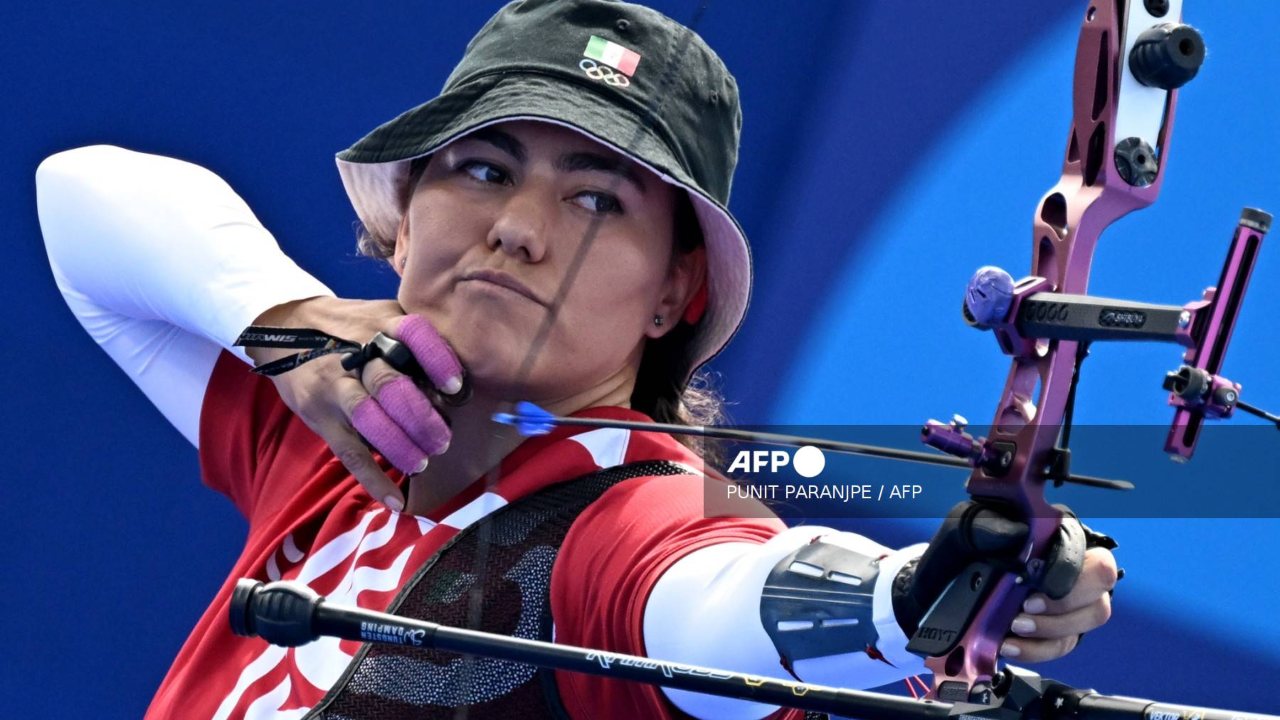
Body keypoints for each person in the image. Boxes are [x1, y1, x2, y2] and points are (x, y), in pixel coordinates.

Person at [36, 1, 1118, 718]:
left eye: (595, 199)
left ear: (672, 296)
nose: (519, 228)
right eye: (483, 167)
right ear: (402, 222)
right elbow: (78, 197)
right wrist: (286, 323)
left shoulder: (621, 517)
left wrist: (910, 596)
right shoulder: (327, 427)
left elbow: (711, 595)